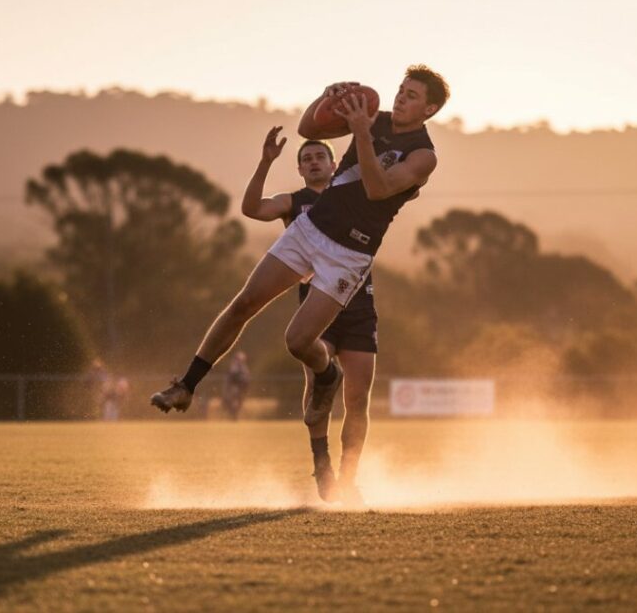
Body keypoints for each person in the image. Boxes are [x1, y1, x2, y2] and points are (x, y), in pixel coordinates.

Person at [151, 64, 449, 495]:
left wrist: (362, 133)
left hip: (350, 253)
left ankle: (329, 388)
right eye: (401, 90)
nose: (401, 98)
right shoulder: (374, 114)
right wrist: (326, 99)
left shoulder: (424, 155)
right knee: (243, 304)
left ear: (430, 108)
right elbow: (311, 127)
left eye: (412, 95)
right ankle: (186, 385)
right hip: (312, 230)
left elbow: (379, 189)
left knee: (296, 341)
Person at [240, 130, 379, 503]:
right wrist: (266, 161)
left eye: (321, 156)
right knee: (319, 388)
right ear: (300, 169)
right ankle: (322, 464)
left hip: (359, 308)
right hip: (317, 310)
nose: (314, 161)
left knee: (357, 398)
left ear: (335, 165)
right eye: (307, 158)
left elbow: (395, 189)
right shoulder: (294, 202)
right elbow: (253, 208)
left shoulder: (357, 195)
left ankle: (350, 480)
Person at [222, 351, 250, 421]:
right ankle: (232, 415)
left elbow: (246, 379)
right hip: (235, 387)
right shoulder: (235, 367)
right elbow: (231, 378)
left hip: (240, 388)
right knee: (233, 401)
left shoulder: (243, 368)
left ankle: (234, 415)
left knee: (237, 402)